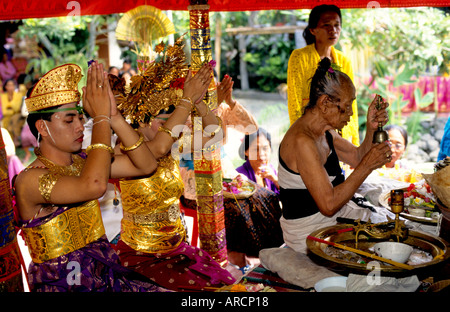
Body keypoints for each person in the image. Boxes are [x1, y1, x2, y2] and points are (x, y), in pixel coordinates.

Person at [13, 62, 167, 292]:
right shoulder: (29, 180)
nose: (79, 127)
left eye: (80, 118)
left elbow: (146, 165)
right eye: (69, 120)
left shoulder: (84, 162)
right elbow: (93, 186)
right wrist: (101, 118)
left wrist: (113, 116)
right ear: (42, 128)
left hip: (107, 276)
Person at [110, 41, 236, 291]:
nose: (173, 128)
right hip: (142, 255)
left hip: (178, 248)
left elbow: (215, 134)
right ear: (142, 120)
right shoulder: (122, 152)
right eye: (164, 122)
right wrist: (186, 101)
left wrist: (199, 102)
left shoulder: (172, 146)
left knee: (227, 285)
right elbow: (154, 150)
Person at [279, 57, 391, 254]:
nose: (349, 114)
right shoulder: (302, 142)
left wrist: (372, 128)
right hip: (309, 231)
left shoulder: (325, 132)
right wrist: (367, 166)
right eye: (346, 107)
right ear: (324, 103)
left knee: (391, 230)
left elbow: (357, 157)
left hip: (333, 219)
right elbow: (328, 205)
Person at [287, 4, 359, 146]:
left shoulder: (344, 61)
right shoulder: (299, 57)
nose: (333, 30)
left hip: (339, 134)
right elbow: (294, 103)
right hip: (310, 133)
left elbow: (352, 103)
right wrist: (301, 137)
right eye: (326, 25)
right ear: (313, 30)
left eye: (337, 25)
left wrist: (353, 139)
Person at [236, 127, 279, 195]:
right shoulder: (239, 175)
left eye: (265, 148)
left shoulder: (271, 170)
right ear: (246, 151)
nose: (261, 154)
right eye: (256, 149)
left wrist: (275, 180)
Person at [1, 79, 25, 146]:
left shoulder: (18, 95)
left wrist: (10, 105)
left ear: (15, 86)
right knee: (6, 122)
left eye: (12, 85)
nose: (11, 87)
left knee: (14, 119)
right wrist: (12, 107)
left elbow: (16, 108)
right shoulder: (2, 96)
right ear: (5, 87)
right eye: (9, 85)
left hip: (17, 116)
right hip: (6, 117)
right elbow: (4, 111)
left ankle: (15, 141)